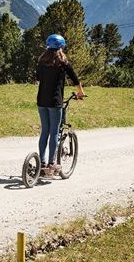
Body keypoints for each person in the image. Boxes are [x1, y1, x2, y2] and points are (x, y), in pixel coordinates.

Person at [36, 34, 85, 177]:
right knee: (54, 132)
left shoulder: (41, 61)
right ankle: (52, 164)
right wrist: (80, 92)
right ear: (61, 47)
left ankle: (42, 163)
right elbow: (75, 78)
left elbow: (38, 78)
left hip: (41, 101)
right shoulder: (63, 62)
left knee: (44, 131)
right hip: (55, 101)